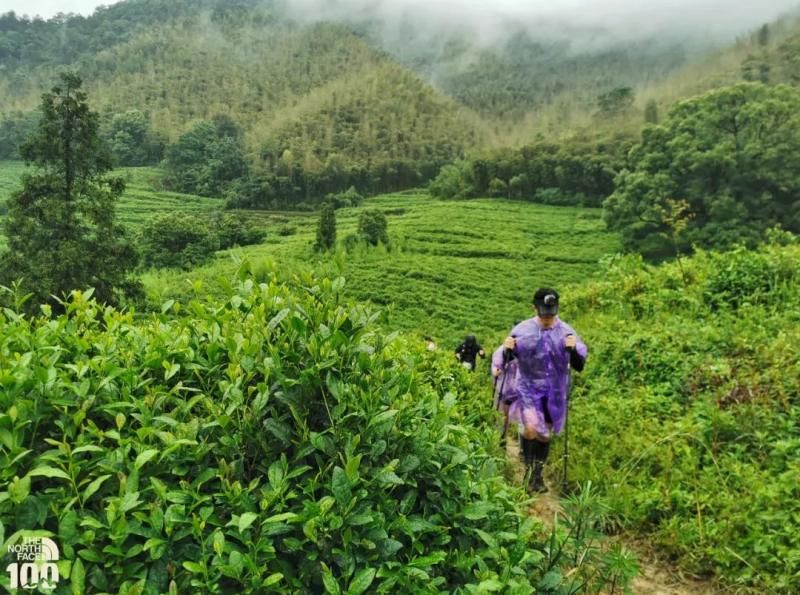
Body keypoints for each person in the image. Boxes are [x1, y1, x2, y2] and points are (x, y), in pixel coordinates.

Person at [494, 287, 587, 493]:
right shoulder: (522, 330)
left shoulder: (567, 332)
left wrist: (572, 351)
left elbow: (579, 366)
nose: (547, 318)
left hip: (554, 392)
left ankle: (537, 474)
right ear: (534, 308)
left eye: (551, 313)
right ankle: (528, 470)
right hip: (528, 387)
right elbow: (508, 359)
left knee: (545, 435)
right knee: (531, 428)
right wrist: (508, 348)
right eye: (544, 313)